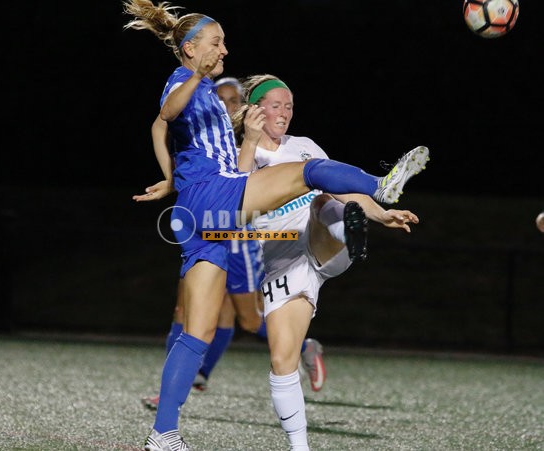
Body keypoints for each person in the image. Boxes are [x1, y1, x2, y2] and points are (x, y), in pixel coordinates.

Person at [122, 2, 429, 449]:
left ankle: (163, 434)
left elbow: (157, 128)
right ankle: (381, 186)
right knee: (309, 172)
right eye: (216, 43)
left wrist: (170, 179)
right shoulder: (185, 80)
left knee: (197, 334)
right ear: (190, 49)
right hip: (212, 194)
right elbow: (166, 113)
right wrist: (194, 75)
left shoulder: (203, 90)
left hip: (200, 211)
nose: (224, 51)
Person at [230, 73, 422, 450]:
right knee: (282, 361)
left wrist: (381, 214)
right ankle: (300, 447)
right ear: (255, 109)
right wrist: (249, 141)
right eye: (276, 105)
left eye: (289, 106)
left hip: (324, 242)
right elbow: (236, 196)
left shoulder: (304, 146)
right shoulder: (241, 152)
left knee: (323, 200)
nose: (284, 112)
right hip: (283, 261)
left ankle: (351, 233)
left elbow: (342, 189)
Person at [136, 77, 327, 411]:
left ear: (245, 107)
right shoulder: (209, 134)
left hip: (240, 242)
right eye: (219, 99)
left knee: (247, 320)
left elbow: (246, 187)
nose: (225, 106)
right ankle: (177, 387)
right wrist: (172, 178)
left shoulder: (253, 142)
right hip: (207, 232)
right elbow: (165, 130)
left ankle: (304, 347)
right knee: (185, 310)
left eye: (232, 100)